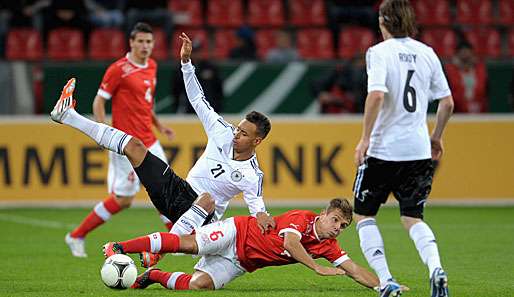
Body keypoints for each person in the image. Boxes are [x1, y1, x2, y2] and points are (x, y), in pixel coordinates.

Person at [52, 31, 274, 262]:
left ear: (256, 141)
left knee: (207, 199)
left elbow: (257, 208)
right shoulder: (222, 131)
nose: (236, 134)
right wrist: (186, 63)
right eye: (238, 128)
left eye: (243, 133)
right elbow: (198, 99)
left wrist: (263, 217)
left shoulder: (251, 175)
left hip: (204, 222)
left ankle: (161, 250)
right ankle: (67, 116)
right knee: (134, 145)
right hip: (177, 192)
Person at [352, 1, 454, 297]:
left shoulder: (378, 52)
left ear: (383, 21)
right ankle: (436, 268)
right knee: (413, 217)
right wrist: (436, 136)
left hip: (385, 149)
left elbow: (376, 96)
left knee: (364, 216)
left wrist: (365, 138)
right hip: (419, 149)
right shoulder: (427, 52)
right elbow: (447, 103)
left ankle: (386, 281)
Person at [63, 22, 175, 258]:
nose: (145, 46)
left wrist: (159, 125)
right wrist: (104, 134)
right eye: (141, 41)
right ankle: (76, 235)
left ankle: (176, 238)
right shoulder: (118, 69)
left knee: (164, 188)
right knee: (123, 200)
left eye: (149, 42)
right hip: (126, 144)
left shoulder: (152, 66)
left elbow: (145, 102)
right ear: (131, 43)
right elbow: (98, 102)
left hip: (150, 141)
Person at [102, 198, 380, 292]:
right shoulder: (301, 219)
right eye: (335, 221)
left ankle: (152, 276)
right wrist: (317, 269)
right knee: (184, 244)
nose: (337, 228)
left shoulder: (329, 246)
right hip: (236, 232)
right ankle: (120, 246)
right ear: (324, 214)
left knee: (200, 285)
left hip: (241, 262)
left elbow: (354, 269)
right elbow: (293, 245)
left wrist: (384, 286)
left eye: (343, 226)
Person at [445, 41, 488, 113]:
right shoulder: (449, 71)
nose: (465, 55)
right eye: (462, 52)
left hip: (480, 111)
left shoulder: (480, 70)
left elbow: (485, 91)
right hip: (457, 112)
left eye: (467, 53)